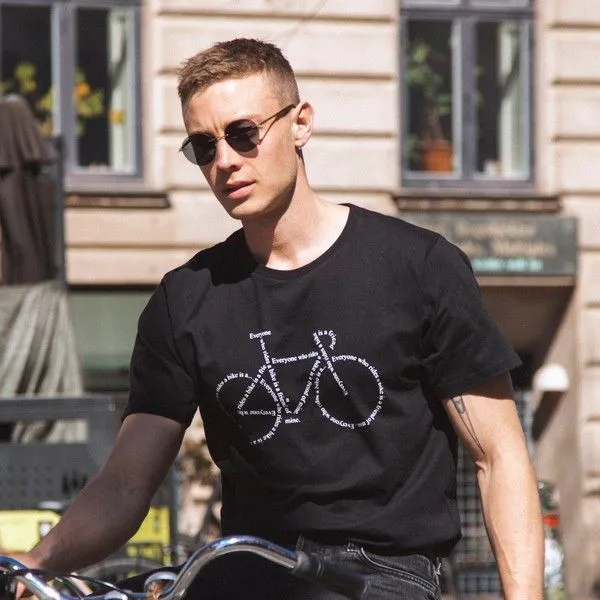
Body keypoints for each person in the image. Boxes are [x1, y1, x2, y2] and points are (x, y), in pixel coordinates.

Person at [14, 38, 543, 599]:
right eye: (203, 146)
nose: (225, 161)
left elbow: (498, 456)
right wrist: (35, 564)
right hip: (249, 568)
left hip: (383, 574)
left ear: (301, 123)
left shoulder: (419, 267)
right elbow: (125, 482)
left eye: (244, 134)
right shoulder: (184, 300)